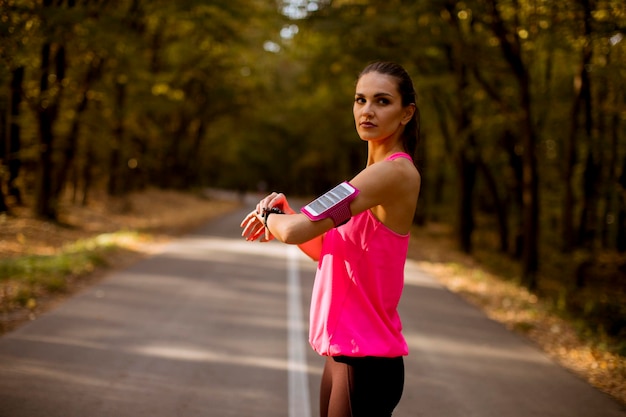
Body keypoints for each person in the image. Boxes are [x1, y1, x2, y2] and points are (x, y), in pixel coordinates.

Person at [240, 61, 421, 417]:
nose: (367, 110)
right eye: (360, 100)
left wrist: (271, 217)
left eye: (382, 101)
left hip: (366, 362)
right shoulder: (369, 177)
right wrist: (286, 217)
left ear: (406, 113)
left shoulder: (393, 173)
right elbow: (327, 248)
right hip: (344, 356)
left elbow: (294, 233)